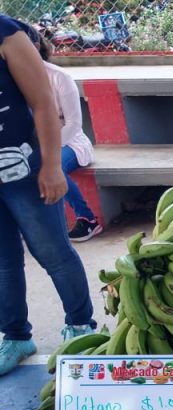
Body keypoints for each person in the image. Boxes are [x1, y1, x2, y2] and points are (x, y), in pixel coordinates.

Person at [0, 15, 96, 376]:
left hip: (27, 170)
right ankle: (15, 336)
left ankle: (81, 327)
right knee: (3, 263)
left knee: (53, 252)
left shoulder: (5, 33)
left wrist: (53, 166)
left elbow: (42, 102)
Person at [35, 36, 101, 242]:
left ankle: (88, 219)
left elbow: (73, 124)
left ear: (35, 47)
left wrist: (47, 148)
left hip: (69, 141)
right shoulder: (10, 79)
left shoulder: (59, 77)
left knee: (51, 166)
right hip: (31, 143)